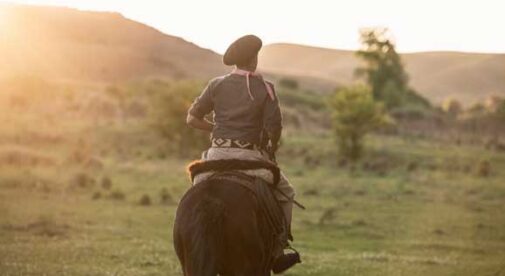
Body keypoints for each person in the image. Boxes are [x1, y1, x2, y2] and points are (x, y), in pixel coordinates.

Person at [186, 34, 300, 272]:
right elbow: (274, 129)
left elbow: (192, 119)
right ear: (253, 58)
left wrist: (215, 128)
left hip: (215, 156)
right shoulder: (265, 89)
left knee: (197, 190)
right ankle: (279, 251)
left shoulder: (215, 85)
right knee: (286, 192)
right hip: (250, 157)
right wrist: (271, 147)